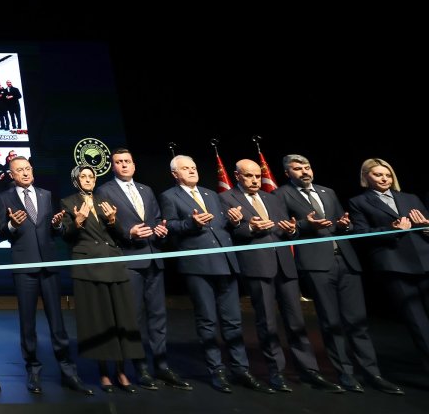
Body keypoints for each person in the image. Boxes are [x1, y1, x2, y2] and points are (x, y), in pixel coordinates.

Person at [276, 154, 401, 394]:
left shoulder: (327, 191)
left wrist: (346, 225)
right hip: (316, 263)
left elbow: (346, 223)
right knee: (331, 321)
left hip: (346, 260)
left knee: (358, 322)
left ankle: (372, 373)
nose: (304, 171)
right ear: (288, 173)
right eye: (298, 168)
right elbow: (285, 230)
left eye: (307, 167)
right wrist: (305, 225)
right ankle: (345, 373)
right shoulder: (281, 194)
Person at [159, 155, 269, 393]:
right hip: (197, 265)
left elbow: (226, 226)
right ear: (175, 174)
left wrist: (235, 220)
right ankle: (217, 370)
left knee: (233, 320)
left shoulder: (212, 194)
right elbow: (169, 228)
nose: (191, 171)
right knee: (207, 321)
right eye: (185, 168)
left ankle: (240, 369)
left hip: (226, 262)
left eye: (194, 167)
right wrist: (191, 223)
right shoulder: (169, 196)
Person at [220, 159, 327, 393]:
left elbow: (282, 227)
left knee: (296, 320)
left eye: (258, 176)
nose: (255, 180)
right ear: (237, 176)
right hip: (257, 266)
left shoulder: (272, 197)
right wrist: (249, 228)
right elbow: (229, 231)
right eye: (249, 176)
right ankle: (275, 371)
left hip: (285, 265)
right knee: (266, 321)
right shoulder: (227, 198)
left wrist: (294, 228)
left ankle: (309, 370)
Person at [0, 156, 89, 395]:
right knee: (28, 323)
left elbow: (54, 230)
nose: (25, 173)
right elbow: (1, 232)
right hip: (24, 267)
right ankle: (33, 369)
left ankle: (68, 370)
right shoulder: (4, 197)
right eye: (19, 171)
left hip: (49, 266)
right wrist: (13, 225)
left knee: (57, 322)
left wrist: (57, 225)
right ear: (12, 175)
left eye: (27, 169)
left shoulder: (46, 195)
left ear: (32, 171)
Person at [95, 148, 189, 390]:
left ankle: (162, 366)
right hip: (129, 261)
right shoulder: (105, 191)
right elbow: (106, 227)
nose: (124, 165)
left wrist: (161, 229)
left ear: (134, 165)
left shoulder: (146, 190)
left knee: (158, 317)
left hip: (153, 258)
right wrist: (129, 233)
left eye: (127, 161)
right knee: (133, 319)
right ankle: (140, 369)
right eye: (119, 162)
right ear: (112, 166)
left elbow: (157, 219)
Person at [60, 163, 144, 393]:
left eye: (91, 176)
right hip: (88, 267)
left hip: (113, 264)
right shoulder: (68, 203)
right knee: (98, 319)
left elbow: (120, 235)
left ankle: (122, 371)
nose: (88, 180)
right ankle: (104, 373)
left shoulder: (105, 201)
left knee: (121, 319)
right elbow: (66, 234)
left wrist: (113, 221)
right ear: (76, 180)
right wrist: (77, 223)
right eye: (84, 176)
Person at [348, 158, 429, 374]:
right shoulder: (359, 202)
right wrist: (391, 229)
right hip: (395, 266)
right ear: (366, 177)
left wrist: (426, 226)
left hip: (425, 262)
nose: (384, 178)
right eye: (378, 175)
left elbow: (427, 227)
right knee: (418, 323)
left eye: (387, 174)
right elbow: (360, 234)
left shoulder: (410, 198)